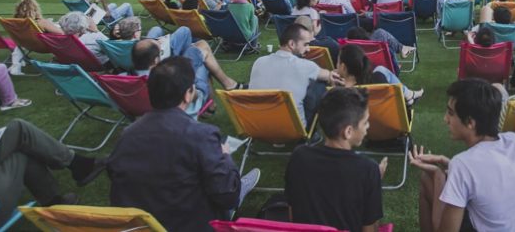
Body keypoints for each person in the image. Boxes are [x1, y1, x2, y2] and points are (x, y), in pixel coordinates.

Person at [108, 57, 260, 231]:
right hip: (189, 224)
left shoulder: (127, 135)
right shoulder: (201, 135)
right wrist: (225, 156)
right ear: (188, 94)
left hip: (139, 226)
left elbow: (116, 177)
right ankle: (240, 185)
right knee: (228, 185)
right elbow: (228, 197)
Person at [409, 78, 515, 232]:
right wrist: (448, 163)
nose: (446, 119)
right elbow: (489, 178)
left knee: (428, 180)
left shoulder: (463, 164)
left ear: (470, 122)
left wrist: (438, 176)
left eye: (451, 113)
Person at [285, 87, 385, 232]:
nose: (368, 127)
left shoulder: (299, 156)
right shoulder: (368, 169)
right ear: (348, 132)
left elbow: (292, 215)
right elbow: (370, 228)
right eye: (365, 122)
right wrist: (374, 180)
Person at [248, 23, 343, 125]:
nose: (308, 49)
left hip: (257, 123)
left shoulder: (259, 61)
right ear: (292, 44)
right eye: (305, 44)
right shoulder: (306, 66)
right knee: (319, 84)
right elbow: (329, 76)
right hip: (291, 129)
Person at [117, 17, 243, 94]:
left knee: (200, 45)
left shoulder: (122, 80)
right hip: (183, 87)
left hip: (145, 102)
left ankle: (228, 85)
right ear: (156, 61)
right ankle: (227, 86)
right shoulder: (164, 80)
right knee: (202, 51)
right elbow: (185, 92)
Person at [337, 43, 423, 104]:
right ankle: (408, 94)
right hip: (389, 125)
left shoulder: (337, 93)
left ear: (343, 67)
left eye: (337, 62)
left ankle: (408, 94)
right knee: (380, 70)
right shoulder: (375, 87)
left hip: (363, 125)